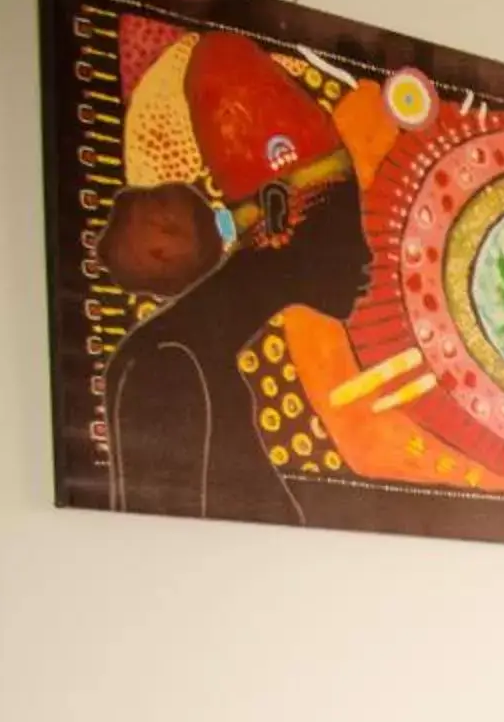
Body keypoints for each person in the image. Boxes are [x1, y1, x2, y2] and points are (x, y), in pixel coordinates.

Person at [107, 33, 371, 524]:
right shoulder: (167, 366)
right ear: (275, 217)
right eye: (340, 222)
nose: (363, 252)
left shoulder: (192, 362)